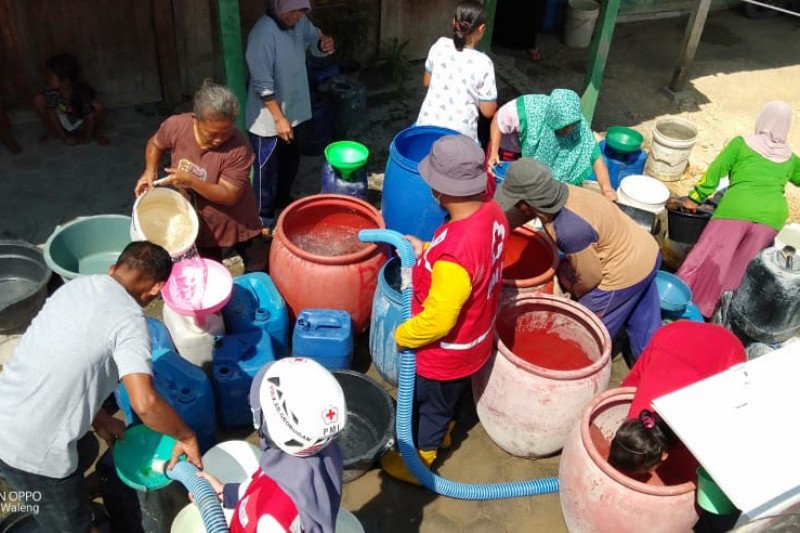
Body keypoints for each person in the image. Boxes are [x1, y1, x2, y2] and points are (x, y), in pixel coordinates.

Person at [0, 241, 202, 532]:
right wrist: (187, 436)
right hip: (30, 453)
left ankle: (59, 498)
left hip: (7, 415)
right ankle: (61, 511)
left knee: (86, 448)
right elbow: (144, 403)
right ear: (157, 289)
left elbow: (67, 366)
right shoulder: (129, 322)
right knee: (72, 525)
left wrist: (103, 419)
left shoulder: (74, 288)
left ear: (113, 269)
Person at [380, 134, 509, 485]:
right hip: (474, 338)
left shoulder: (456, 251)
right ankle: (446, 426)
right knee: (446, 401)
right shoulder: (492, 212)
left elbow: (439, 319)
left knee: (430, 405)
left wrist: (403, 334)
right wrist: (426, 251)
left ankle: (420, 459)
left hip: (444, 353)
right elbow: (474, 267)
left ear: (441, 190)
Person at [494, 158, 661, 359]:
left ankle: (582, 367)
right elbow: (523, 214)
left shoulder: (569, 230)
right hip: (647, 252)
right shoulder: (561, 192)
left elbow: (590, 278)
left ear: (525, 204)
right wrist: (492, 229)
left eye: (517, 203)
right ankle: (652, 362)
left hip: (622, 273)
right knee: (644, 320)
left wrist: (575, 293)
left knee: (585, 331)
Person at [677, 101, 800, 318]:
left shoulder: (742, 144)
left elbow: (715, 172)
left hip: (737, 208)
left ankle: (684, 303)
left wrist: (695, 198)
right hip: (772, 217)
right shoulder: (790, 158)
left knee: (710, 258)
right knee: (740, 269)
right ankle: (721, 315)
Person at [195, 357, 346, 533]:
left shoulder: (272, 523)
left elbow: (273, 505)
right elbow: (265, 486)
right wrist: (227, 492)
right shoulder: (318, 456)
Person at [134, 80, 267, 272]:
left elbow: (229, 195)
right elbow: (155, 144)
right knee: (207, 271)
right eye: (213, 133)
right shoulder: (176, 126)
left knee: (258, 265)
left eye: (227, 132)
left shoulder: (239, 148)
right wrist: (149, 171)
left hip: (237, 219)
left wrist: (189, 181)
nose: (220, 139)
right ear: (195, 119)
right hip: (198, 222)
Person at [608, 321, 746, 474]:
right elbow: (631, 385)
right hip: (673, 334)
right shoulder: (637, 415)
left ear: (665, 456)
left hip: (728, 349)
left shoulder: (692, 426)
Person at [246, 0, 335, 234]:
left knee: (290, 161)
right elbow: (262, 84)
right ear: (279, 5)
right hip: (268, 118)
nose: (297, 17)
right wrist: (279, 119)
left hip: (293, 111)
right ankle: (263, 220)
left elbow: (314, 37)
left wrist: (323, 43)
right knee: (267, 171)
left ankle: (282, 199)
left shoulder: (299, 22)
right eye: (293, 11)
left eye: (301, 11)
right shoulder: (262, 35)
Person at [487, 89, 617, 201]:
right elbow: (498, 120)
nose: (568, 131)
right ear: (552, 117)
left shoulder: (577, 123)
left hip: (529, 159)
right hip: (507, 150)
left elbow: (594, 155)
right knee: (501, 190)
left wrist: (606, 189)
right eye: (563, 127)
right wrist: (493, 153)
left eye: (572, 125)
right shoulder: (527, 110)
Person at [415, 0, 497, 142]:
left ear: (454, 22)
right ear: (481, 28)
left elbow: (427, 82)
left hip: (425, 127)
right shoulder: (484, 63)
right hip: (460, 137)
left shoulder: (440, 45)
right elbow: (488, 111)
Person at [33, 54, 108, 145]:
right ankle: (54, 132)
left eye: (50, 77)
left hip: (81, 121)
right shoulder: (50, 90)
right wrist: (64, 136)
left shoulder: (82, 92)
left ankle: (96, 132)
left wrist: (87, 138)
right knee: (38, 99)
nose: (47, 79)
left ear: (65, 81)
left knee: (98, 106)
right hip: (64, 119)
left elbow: (89, 117)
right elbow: (51, 113)